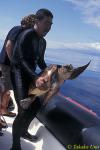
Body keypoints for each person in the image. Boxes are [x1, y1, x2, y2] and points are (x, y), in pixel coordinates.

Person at [10, 8, 53, 150]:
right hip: (18, 74)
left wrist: (50, 71)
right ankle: (15, 145)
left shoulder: (43, 42)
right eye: (46, 23)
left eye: (51, 24)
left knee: (35, 105)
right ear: (36, 21)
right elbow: (21, 60)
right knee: (23, 109)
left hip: (30, 75)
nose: (49, 27)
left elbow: (40, 61)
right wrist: (36, 77)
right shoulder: (27, 34)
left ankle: (23, 131)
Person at [0, 14, 35, 118]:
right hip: (6, 64)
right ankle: (2, 111)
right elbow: (9, 45)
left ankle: (4, 110)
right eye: (34, 24)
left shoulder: (22, 33)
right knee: (4, 89)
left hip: (9, 65)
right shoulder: (18, 29)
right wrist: (13, 62)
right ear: (30, 23)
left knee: (6, 89)